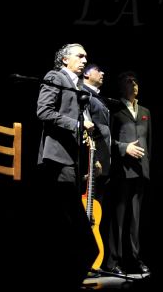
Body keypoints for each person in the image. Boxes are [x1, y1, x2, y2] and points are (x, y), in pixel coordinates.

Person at [36, 43, 97, 288]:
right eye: (79, 56)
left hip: (73, 160)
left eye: (86, 56)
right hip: (57, 159)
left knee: (68, 222)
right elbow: (43, 111)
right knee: (67, 221)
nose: (84, 60)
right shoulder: (55, 77)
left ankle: (68, 276)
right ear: (64, 60)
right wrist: (76, 124)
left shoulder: (79, 86)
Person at [103, 71, 152, 276]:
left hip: (140, 171)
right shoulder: (114, 110)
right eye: (128, 82)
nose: (133, 85)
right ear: (121, 86)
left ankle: (135, 259)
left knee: (136, 219)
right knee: (119, 218)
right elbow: (106, 141)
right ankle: (113, 261)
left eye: (136, 81)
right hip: (121, 171)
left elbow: (150, 141)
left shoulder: (145, 111)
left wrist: (147, 165)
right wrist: (125, 148)